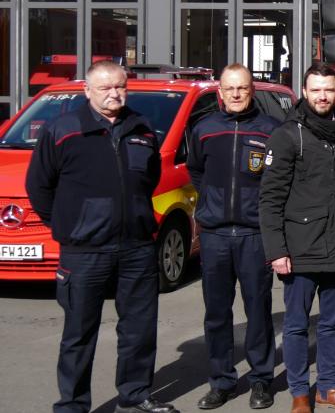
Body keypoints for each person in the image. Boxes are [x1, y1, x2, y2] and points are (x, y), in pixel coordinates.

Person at [26, 60, 177, 413]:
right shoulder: (63, 130)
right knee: (79, 333)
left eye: (120, 86)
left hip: (137, 246)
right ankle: (73, 404)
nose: (114, 93)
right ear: (87, 91)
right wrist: (69, 224)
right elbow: (39, 186)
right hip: (85, 250)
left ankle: (135, 394)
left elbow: (148, 179)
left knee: (139, 328)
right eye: (105, 87)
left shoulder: (142, 128)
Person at [259, 62, 335, 413]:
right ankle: (299, 393)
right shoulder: (288, 134)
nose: (323, 96)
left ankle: (328, 386)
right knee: (295, 326)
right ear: (305, 92)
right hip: (300, 247)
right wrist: (277, 250)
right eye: (316, 90)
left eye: (329, 89)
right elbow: (270, 198)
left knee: (334, 323)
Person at [187, 63, 279, 410]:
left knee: (258, 310)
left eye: (242, 88)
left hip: (254, 234)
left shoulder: (271, 129)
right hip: (214, 236)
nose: (236, 94)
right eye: (230, 89)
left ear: (252, 90)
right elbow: (197, 169)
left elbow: (279, 178)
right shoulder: (204, 129)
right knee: (217, 313)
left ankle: (260, 381)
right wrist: (212, 202)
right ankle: (221, 381)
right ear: (220, 92)